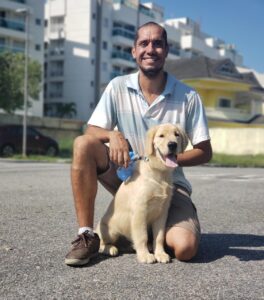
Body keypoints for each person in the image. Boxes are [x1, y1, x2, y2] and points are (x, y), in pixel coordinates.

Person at [65, 22, 212, 266]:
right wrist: (113, 136)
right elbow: (91, 131)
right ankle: (87, 235)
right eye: (143, 43)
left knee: (185, 249)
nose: (150, 49)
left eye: (157, 43)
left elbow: (205, 152)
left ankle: (152, 231)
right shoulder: (117, 87)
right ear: (134, 51)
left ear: (166, 50)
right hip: (127, 179)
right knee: (83, 144)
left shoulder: (188, 96)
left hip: (170, 184)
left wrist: (169, 161)